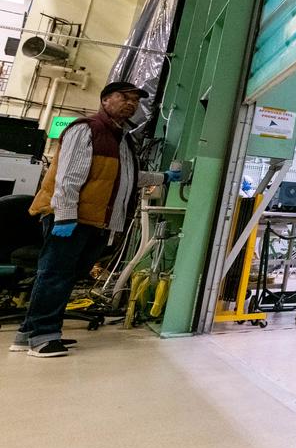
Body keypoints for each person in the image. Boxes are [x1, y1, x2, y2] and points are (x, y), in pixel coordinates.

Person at [12, 82, 178, 358]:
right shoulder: (87, 128)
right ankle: (42, 338)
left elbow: (127, 177)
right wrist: (65, 217)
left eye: (135, 100)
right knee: (55, 275)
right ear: (105, 100)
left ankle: (28, 333)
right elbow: (69, 177)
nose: (131, 103)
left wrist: (164, 178)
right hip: (72, 218)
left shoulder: (120, 138)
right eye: (123, 97)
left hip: (93, 220)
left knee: (63, 277)